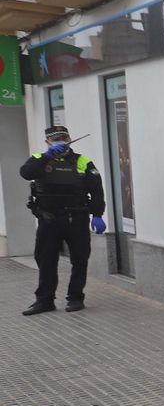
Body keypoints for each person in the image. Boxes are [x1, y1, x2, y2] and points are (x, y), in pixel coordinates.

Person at [20, 125, 105, 315]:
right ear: (47, 142)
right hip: (48, 219)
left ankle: (75, 297)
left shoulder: (82, 161)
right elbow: (26, 173)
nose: (60, 141)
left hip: (76, 218)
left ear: (69, 138)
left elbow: (97, 191)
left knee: (80, 258)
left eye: (63, 137)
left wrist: (98, 214)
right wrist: (47, 156)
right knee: (46, 260)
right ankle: (44, 300)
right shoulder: (38, 160)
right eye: (55, 138)